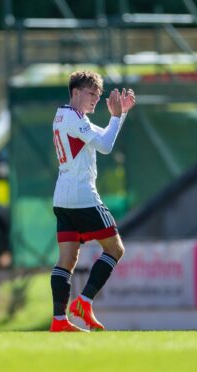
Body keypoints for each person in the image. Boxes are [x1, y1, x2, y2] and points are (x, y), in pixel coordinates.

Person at [49, 70, 136, 332]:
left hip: (63, 198)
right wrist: (117, 115)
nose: (96, 99)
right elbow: (106, 145)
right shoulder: (75, 120)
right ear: (75, 92)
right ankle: (84, 302)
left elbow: (105, 134)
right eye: (92, 93)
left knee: (66, 260)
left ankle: (59, 320)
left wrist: (121, 114)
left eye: (98, 95)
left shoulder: (67, 116)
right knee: (115, 249)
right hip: (82, 196)